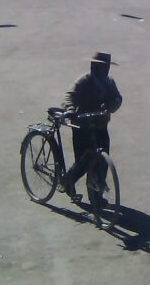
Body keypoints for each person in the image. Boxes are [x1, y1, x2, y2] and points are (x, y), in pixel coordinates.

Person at [63, 52, 123, 203]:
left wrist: (112, 105)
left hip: (100, 126)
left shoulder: (109, 83)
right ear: (94, 67)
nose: (105, 69)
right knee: (83, 161)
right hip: (82, 127)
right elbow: (69, 95)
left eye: (106, 66)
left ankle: (96, 196)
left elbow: (118, 98)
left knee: (102, 161)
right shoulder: (84, 81)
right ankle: (68, 180)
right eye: (102, 66)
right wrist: (70, 110)